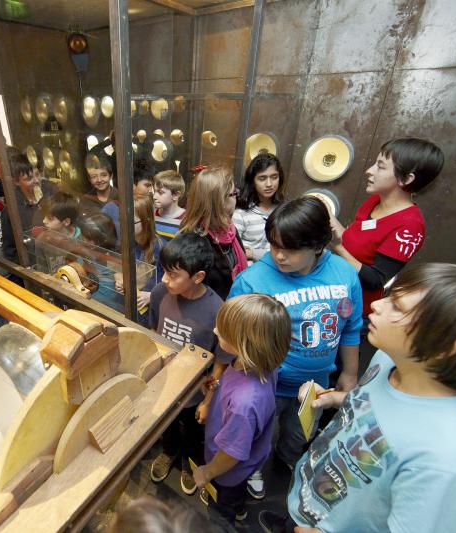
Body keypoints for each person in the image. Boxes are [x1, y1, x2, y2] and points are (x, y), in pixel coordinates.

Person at [258, 263, 456, 533]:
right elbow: (374, 406)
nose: (378, 305)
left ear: (442, 349)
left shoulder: (448, 463)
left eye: (398, 306)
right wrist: (334, 398)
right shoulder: (389, 360)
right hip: (309, 502)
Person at [229, 196, 362, 475]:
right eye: (275, 245)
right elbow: (232, 335)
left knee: (299, 435)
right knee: (255, 437)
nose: (279, 255)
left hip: (317, 387)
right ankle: (254, 470)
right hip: (266, 384)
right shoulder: (252, 281)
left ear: (318, 244)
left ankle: (286, 461)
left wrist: (349, 373)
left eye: (290, 249)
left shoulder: (345, 275)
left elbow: (351, 327)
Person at [193, 293, 291, 524]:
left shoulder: (244, 404)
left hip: (227, 471)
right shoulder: (259, 365)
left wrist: (206, 472)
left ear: (247, 345)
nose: (216, 331)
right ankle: (237, 507)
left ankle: (230, 514)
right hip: (247, 453)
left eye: (223, 331)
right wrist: (214, 390)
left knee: (224, 503)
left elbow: (231, 455)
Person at [329, 137, 444, 318]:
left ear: (406, 178)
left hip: (351, 309)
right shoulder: (375, 201)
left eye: (380, 167)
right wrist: (326, 216)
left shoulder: (410, 227)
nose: (369, 171)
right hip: (331, 288)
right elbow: (353, 242)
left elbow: (375, 280)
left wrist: (338, 248)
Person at [148, 232, 224, 495]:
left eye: (173, 275)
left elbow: (221, 360)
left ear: (198, 277)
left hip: (194, 390)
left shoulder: (217, 310)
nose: (165, 280)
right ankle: (169, 452)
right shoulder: (159, 293)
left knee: (193, 433)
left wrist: (208, 399)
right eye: (164, 272)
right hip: (164, 381)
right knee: (165, 425)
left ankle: (189, 463)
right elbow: (153, 330)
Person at [179, 166, 247, 300]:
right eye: (234, 193)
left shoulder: (229, 228)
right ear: (219, 201)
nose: (237, 197)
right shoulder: (194, 243)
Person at [0, 153, 57, 263]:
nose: (36, 180)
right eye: (29, 178)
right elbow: (9, 251)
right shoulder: (12, 210)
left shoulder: (52, 192)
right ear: (16, 181)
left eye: (38, 174)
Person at [233, 153, 285, 264]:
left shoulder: (285, 210)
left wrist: (252, 253)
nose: (269, 184)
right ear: (253, 181)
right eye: (262, 178)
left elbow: (288, 248)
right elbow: (234, 252)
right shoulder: (241, 213)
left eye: (274, 177)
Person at [101, 157, 156, 246]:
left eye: (152, 186)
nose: (151, 191)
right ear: (132, 184)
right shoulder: (110, 210)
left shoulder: (152, 207)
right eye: (147, 185)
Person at [34, 191, 82, 274]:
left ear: (66, 221)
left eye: (50, 218)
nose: (44, 221)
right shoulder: (41, 240)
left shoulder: (83, 238)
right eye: (44, 216)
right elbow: (42, 272)